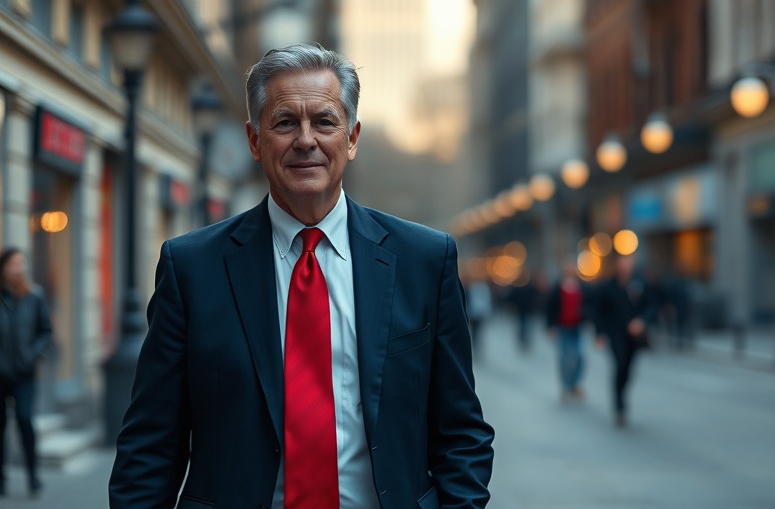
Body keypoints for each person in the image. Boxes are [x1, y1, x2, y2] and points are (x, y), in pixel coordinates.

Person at [109, 44, 494, 509]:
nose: (306, 140)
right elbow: (151, 445)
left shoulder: (425, 260)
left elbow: (462, 432)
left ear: (351, 138)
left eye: (325, 122)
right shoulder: (191, 268)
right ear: (254, 140)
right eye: (285, 122)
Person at [0, 248, 52, 497]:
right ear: (2, 268)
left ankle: (33, 476)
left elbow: (45, 332)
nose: (19, 269)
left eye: (21, 264)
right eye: (14, 264)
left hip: (24, 373)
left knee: (25, 420)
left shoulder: (34, 296)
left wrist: (33, 354)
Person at [593, 254, 657, 427]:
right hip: (615, 334)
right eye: (622, 264)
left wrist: (642, 321)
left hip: (634, 336)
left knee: (628, 368)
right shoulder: (607, 287)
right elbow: (598, 311)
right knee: (620, 364)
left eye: (628, 264)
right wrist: (599, 334)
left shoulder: (640, 285)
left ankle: (622, 395)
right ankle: (619, 405)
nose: (625, 267)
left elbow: (651, 306)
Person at [545, 261, 590, 401]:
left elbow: (589, 303)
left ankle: (575, 384)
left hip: (577, 327)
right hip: (562, 327)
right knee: (565, 358)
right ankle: (566, 385)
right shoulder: (558, 287)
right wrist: (550, 326)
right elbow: (550, 306)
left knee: (580, 356)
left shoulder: (582, 286)